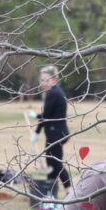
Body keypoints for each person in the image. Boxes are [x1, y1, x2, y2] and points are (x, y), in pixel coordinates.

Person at [36, 65, 71, 197]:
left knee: (55, 163)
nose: (43, 83)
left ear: (54, 80)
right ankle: (50, 192)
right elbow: (47, 116)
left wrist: (36, 122)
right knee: (51, 162)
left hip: (56, 134)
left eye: (46, 80)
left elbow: (45, 117)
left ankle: (69, 190)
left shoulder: (53, 94)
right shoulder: (55, 92)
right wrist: (37, 131)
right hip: (57, 133)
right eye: (41, 80)